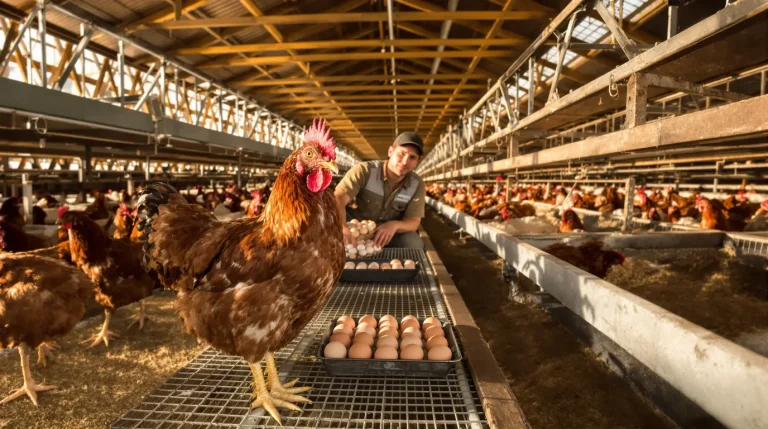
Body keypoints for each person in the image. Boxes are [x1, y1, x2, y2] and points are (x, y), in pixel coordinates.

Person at [335, 131, 427, 249]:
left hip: (388, 235)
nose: (405, 161)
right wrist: (343, 227)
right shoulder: (365, 171)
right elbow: (338, 197)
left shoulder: (416, 184)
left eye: (412, 157)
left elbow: (414, 221)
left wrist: (394, 225)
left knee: (413, 242)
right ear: (390, 151)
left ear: (417, 162)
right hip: (356, 231)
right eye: (401, 153)